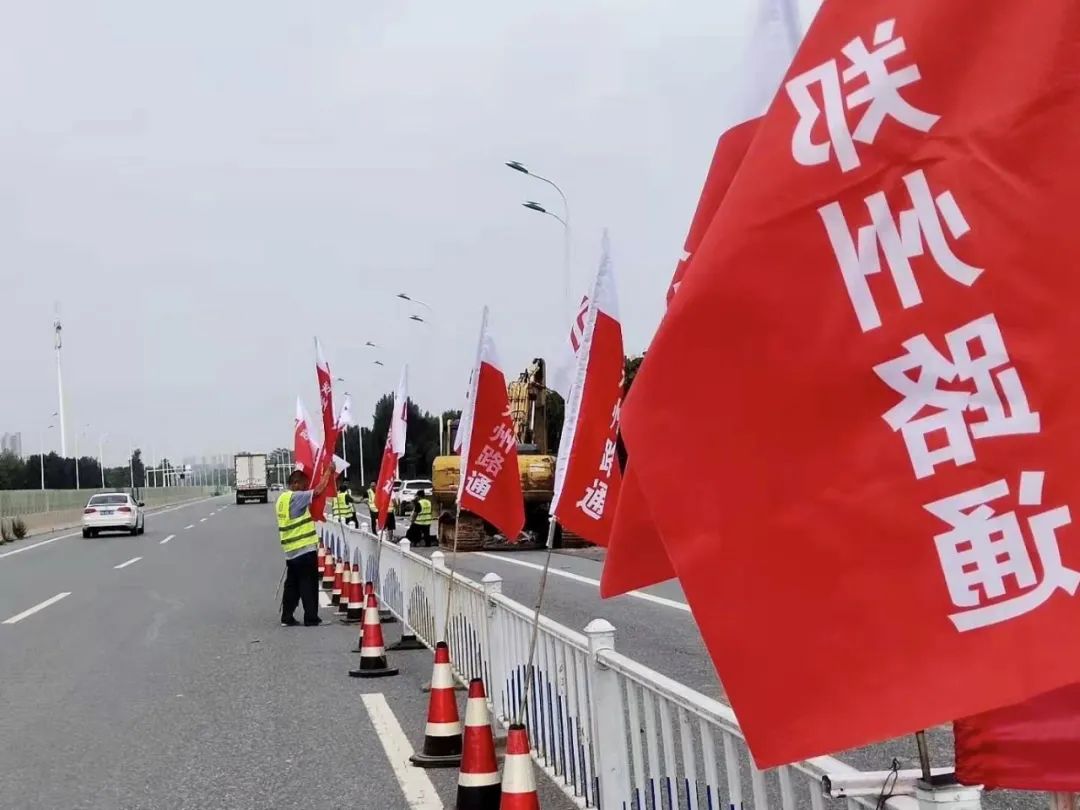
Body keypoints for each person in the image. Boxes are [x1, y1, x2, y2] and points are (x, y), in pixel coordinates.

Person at [277, 466, 331, 627]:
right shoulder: (296, 497)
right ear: (295, 483)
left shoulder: (282, 500)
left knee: (292, 586)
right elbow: (318, 491)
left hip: (290, 551)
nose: (306, 488)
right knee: (308, 584)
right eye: (304, 485)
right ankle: (311, 618)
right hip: (304, 550)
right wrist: (328, 471)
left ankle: (287, 617)